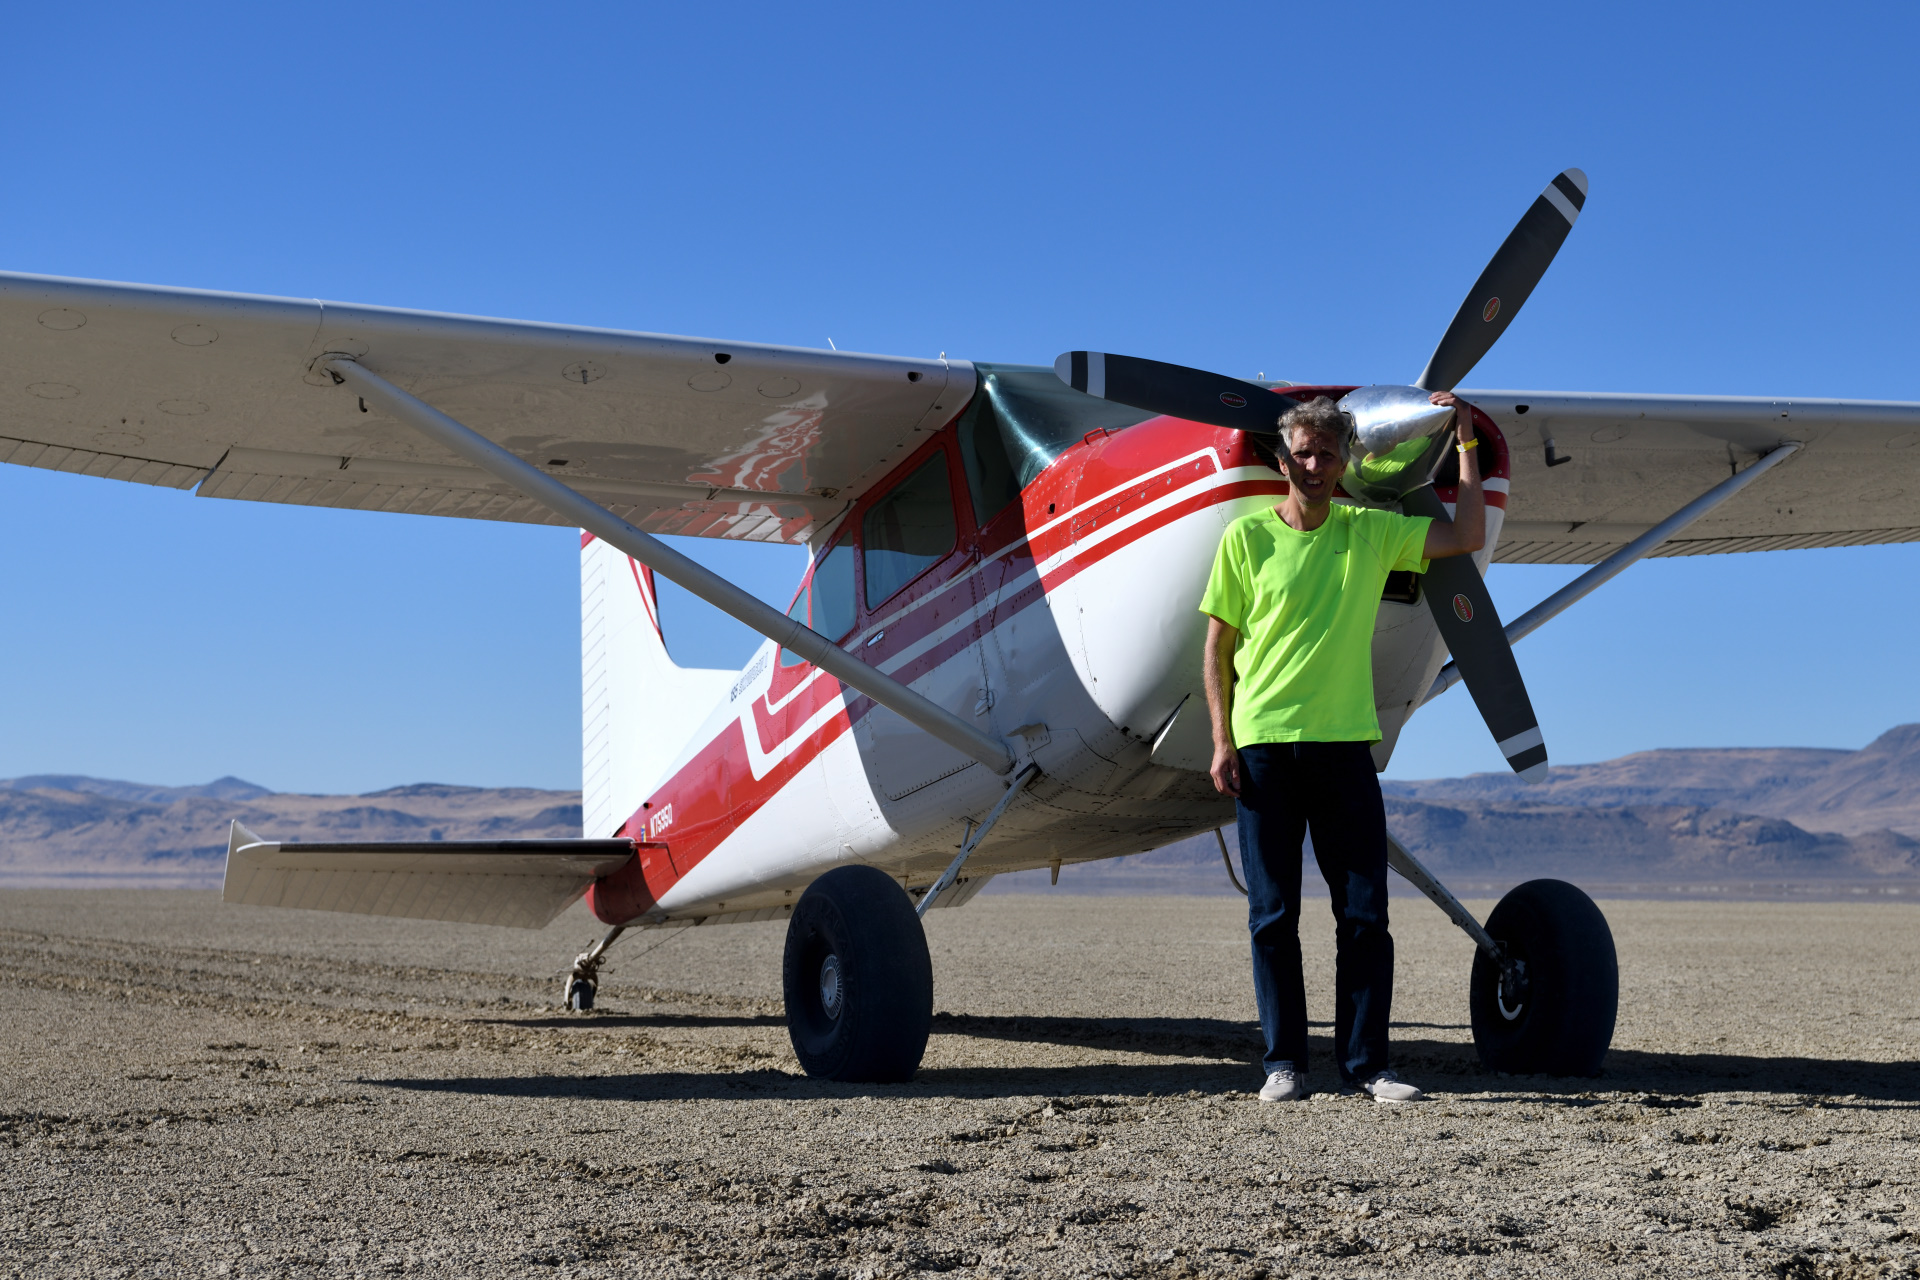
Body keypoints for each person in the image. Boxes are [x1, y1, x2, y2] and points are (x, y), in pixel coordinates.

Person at [1199, 393, 1483, 1103]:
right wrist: (1222, 739)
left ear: (1344, 461)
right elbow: (1217, 648)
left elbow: (1467, 534)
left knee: (1364, 916)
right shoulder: (1246, 541)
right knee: (1273, 917)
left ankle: (1368, 1066)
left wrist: (1467, 443)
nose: (1314, 465)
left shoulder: (1371, 532)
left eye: (1327, 453)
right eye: (1303, 453)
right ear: (1283, 460)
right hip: (1264, 748)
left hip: (1345, 748)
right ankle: (1284, 1064)